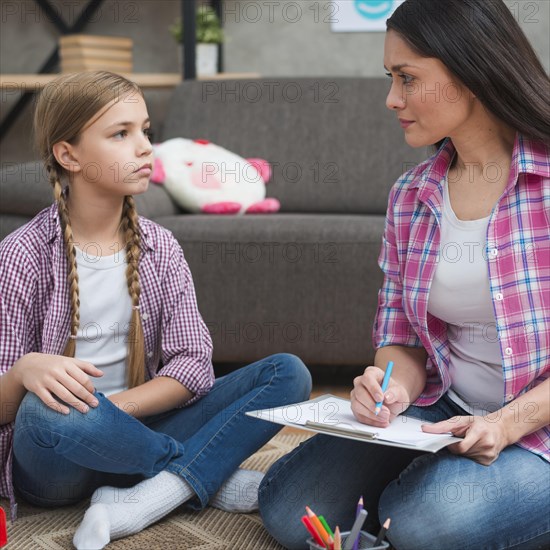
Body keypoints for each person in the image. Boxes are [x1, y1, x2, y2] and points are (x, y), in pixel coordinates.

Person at [258, 0, 549, 548]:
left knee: (421, 525)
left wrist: (509, 423)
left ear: (471, 70)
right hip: (450, 408)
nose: (392, 99)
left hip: (538, 423)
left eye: (407, 79)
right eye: (391, 78)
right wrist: (390, 390)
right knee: (290, 508)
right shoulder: (412, 196)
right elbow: (402, 338)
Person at [0, 71, 312, 550]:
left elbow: (193, 366)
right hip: (57, 462)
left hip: (133, 427)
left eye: (146, 130)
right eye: (121, 134)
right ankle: (191, 472)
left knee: (287, 374)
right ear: (69, 155)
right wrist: (25, 371)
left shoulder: (160, 247)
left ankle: (153, 486)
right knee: (45, 411)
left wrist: (111, 413)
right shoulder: (21, 254)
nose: (145, 147)